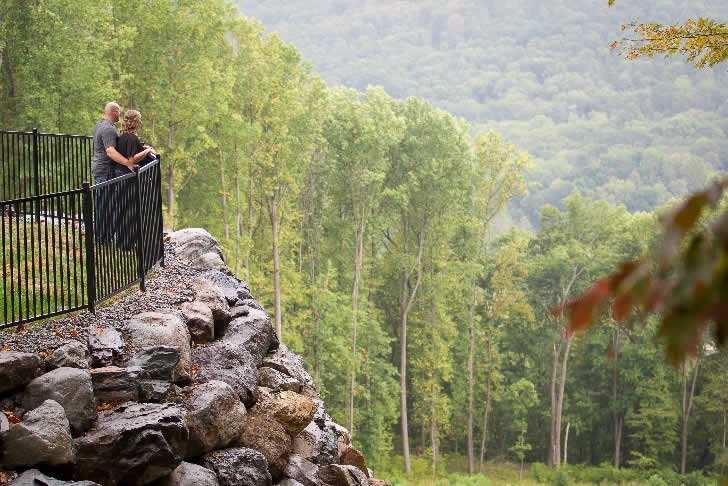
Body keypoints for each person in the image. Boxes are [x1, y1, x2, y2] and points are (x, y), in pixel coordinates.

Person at [91, 102, 149, 244]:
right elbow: (110, 151)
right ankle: (101, 239)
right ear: (115, 112)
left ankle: (103, 237)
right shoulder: (109, 130)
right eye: (119, 112)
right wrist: (128, 163)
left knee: (103, 205)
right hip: (105, 171)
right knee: (105, 206)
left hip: (100, 169)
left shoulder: (100, 125)